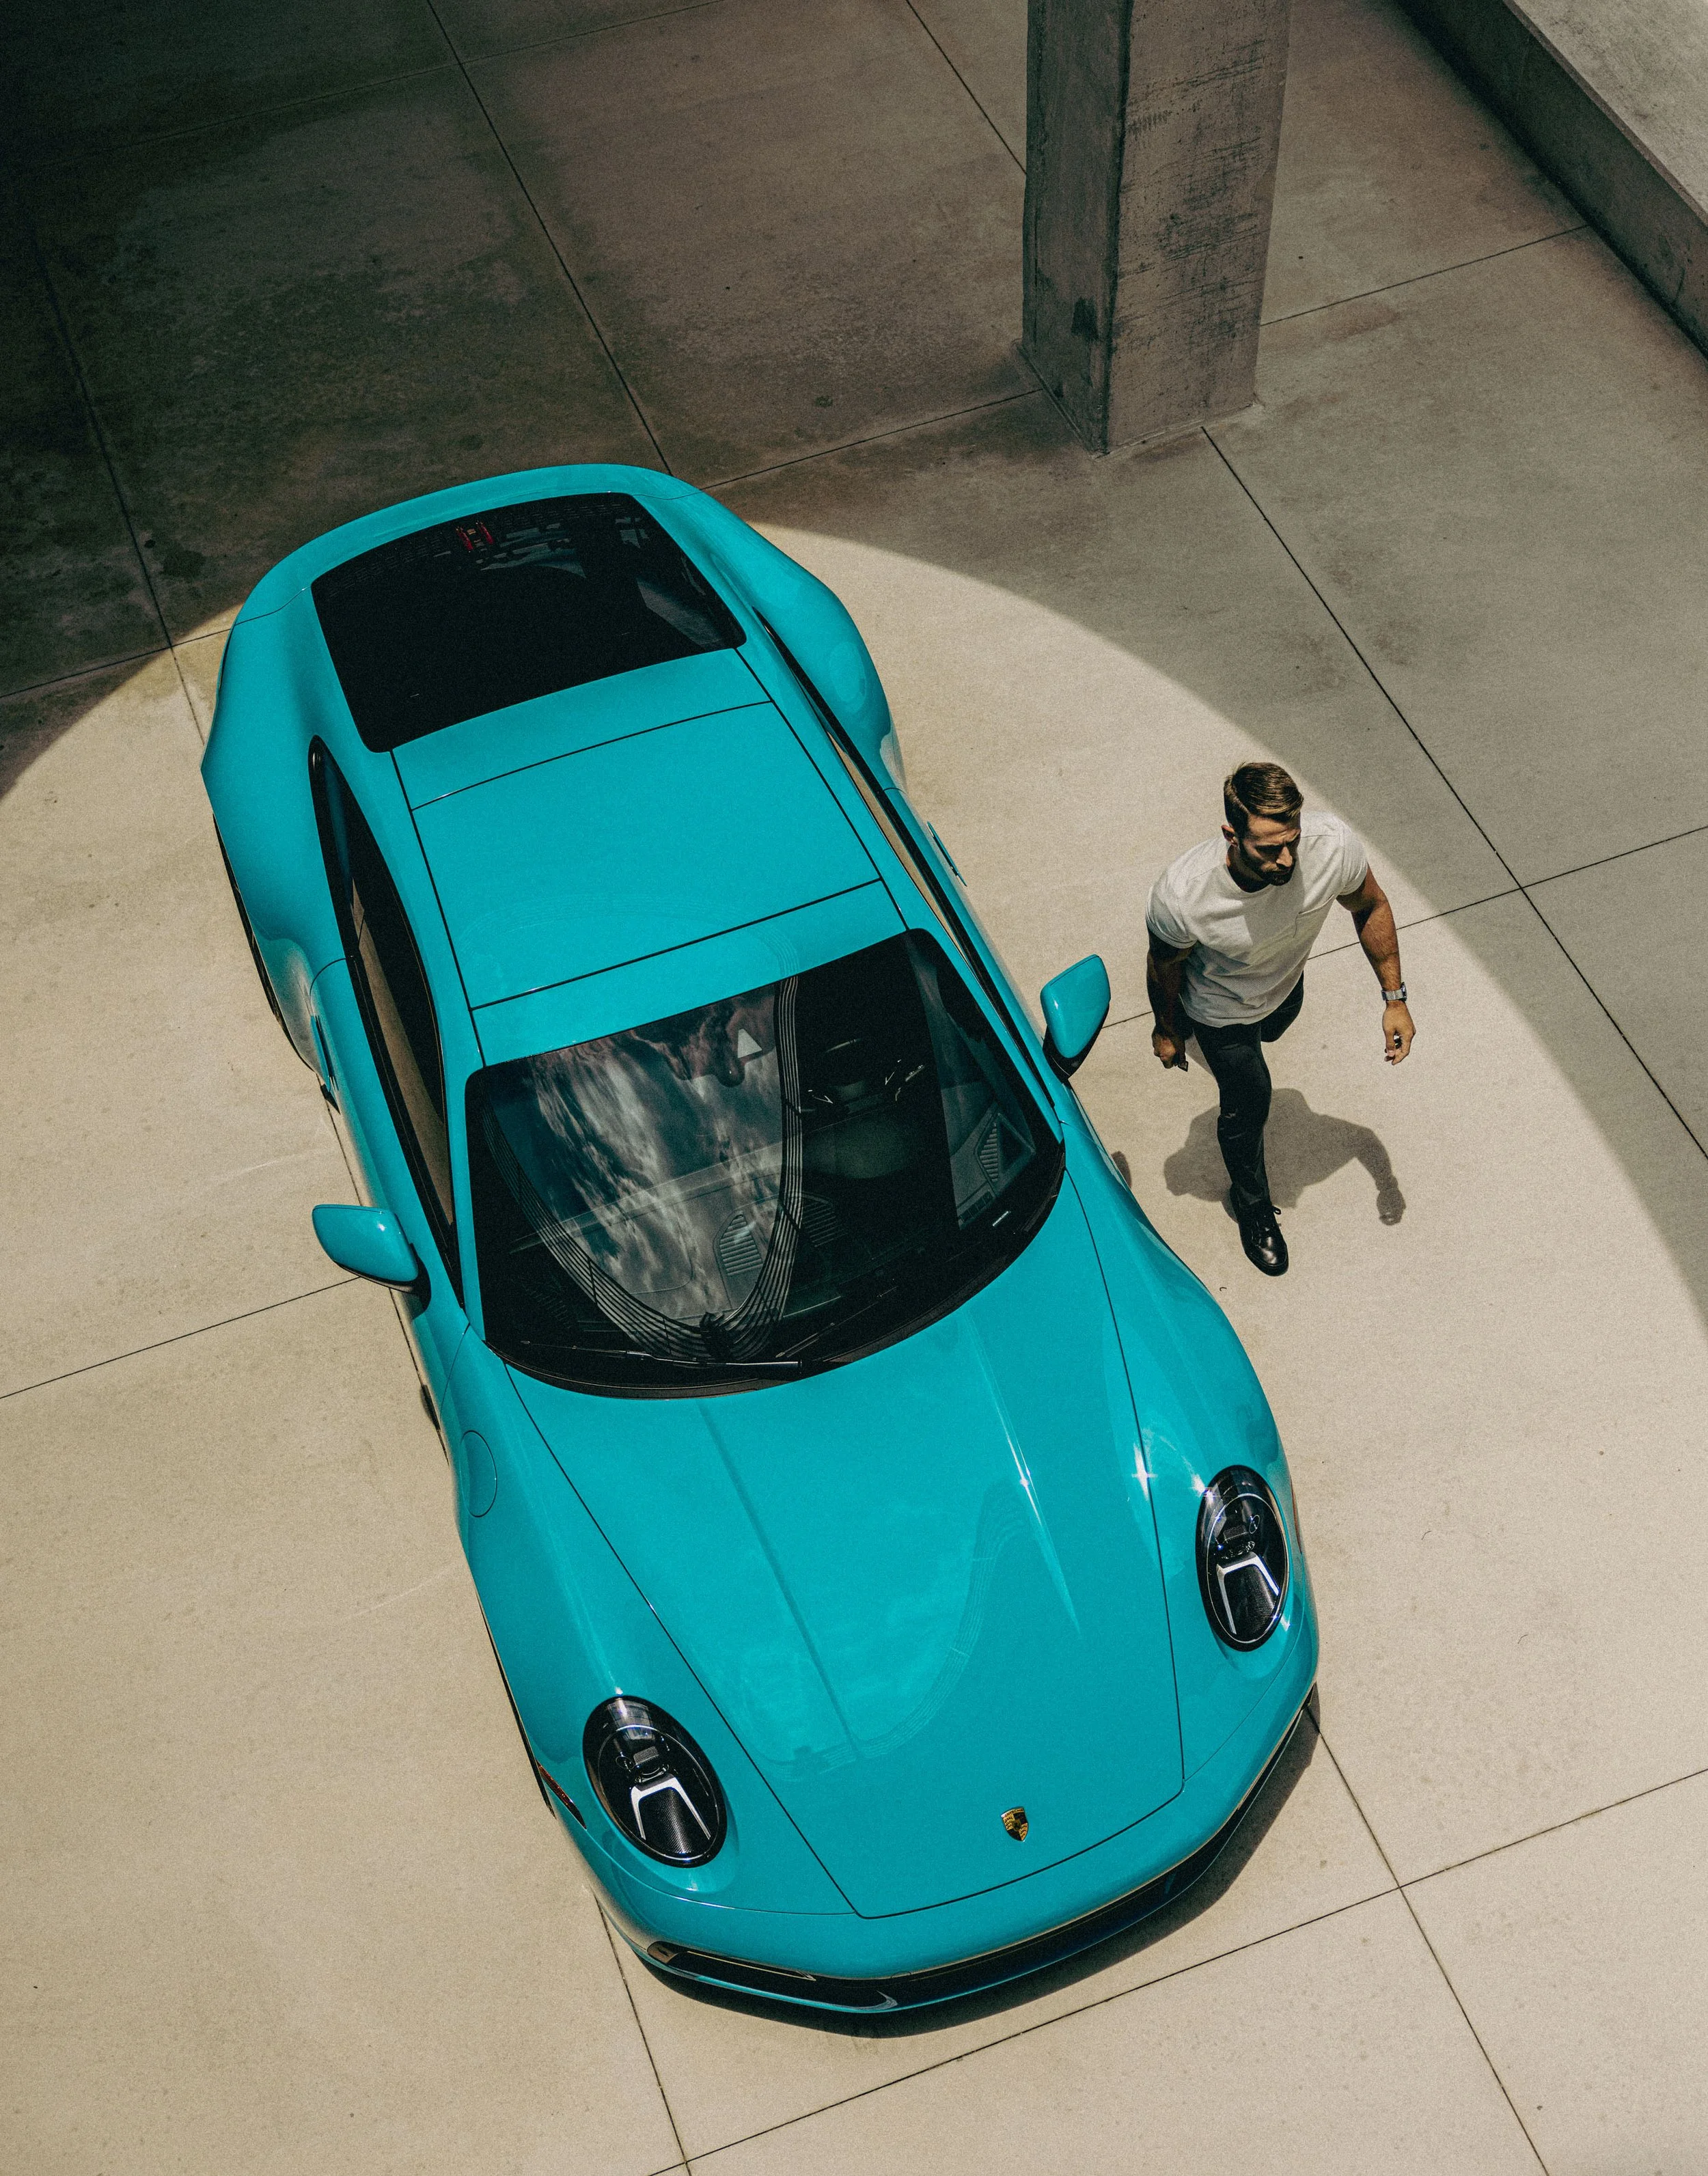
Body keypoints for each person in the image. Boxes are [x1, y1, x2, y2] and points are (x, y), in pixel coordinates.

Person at [1146, 762, 1414, 1277]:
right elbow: (1163, 966)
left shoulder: (1331, 847)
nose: (1287, 859)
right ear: (1231, 834)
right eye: (1269, 848)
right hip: (1219, 1012)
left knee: (1279, 1024)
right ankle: (1253, 1208)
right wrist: (1167, 1028)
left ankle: (1266, 1028)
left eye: (1291, 840)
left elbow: (1372, 904)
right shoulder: (1183, 895)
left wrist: (1394, 998)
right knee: (1251, 1099)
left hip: (1283, 988)